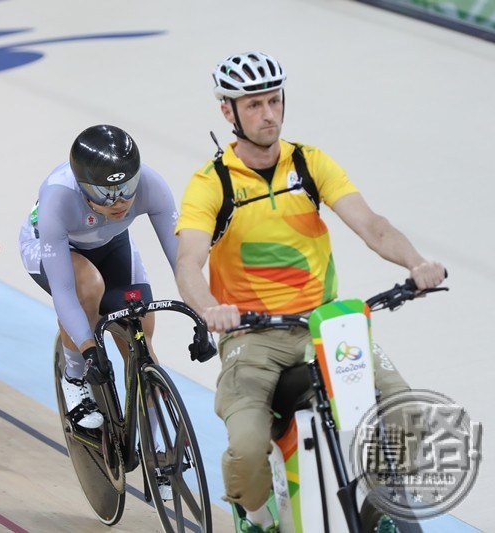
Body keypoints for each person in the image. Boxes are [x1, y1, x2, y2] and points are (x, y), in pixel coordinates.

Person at [174, 51, 447, 532]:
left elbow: (372, 225)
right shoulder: (210, 183)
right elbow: (188, 261)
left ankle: (380, 507)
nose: (269, 114)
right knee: (246, 443)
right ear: (228, 112)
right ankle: (255, 517)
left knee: (403, 410)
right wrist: (211, 309)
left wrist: (417, 264)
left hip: (324, 325)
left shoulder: (310, 163)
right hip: (251, 337)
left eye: (274, 101)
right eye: (254, 105)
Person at [18, 125, 178, 470]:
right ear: (81, 187)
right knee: (87, 287)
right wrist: (89, 352)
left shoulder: (151, 184)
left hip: (111, 244)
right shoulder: (58, 198)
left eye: (126, 190)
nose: (119, 202)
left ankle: (156, 451)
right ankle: (74, 377)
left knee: (142, 335)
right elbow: (63, 291)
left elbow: (185, 264)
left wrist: (205, 313)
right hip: (51, 249)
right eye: (105, 194)